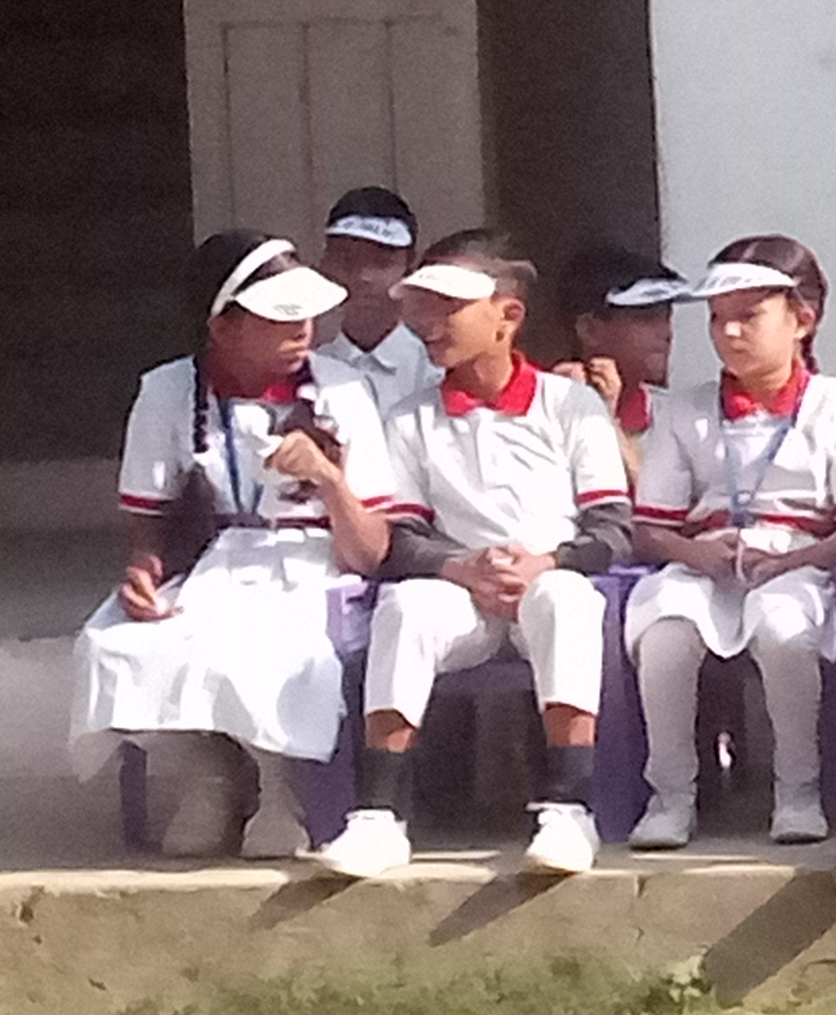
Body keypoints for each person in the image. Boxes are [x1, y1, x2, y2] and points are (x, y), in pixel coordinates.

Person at [311, 233, 633, 882]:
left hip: (545, 581)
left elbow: (614, 528)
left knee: (566, 601)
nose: (430, 323)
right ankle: (378, 815)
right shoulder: (410, 417)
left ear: (507, 317)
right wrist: (461, 569)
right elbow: (399, 534)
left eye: (449, 307)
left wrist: (545, 563)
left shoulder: (571, 405)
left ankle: (568, 808)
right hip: (463, 594)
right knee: (406, 607)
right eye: (423, 307)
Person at [75, 233, 396, 858]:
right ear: (223, 327)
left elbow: (371, 550)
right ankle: (212, 773)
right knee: (117, 643)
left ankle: (281, 790)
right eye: (280, 316)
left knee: (275, 647)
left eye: (306, 313)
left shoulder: (345, 390)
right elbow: (148, 519)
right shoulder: (167, 390)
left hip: (312, 563)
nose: (303, 329)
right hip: (212, 562)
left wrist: (329, 480)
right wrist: (143, 570)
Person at [624, 238, 836, 850]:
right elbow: (652, 526)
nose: (730, 333)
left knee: (782, 628)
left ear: (802, 320)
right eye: (718, 318)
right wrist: (695, 554)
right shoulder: (686, 410)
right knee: (667, 629)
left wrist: (795, 559)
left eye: (749, 316)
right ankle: (671, 795)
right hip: (707, 561)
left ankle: (797, 791)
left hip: (802, 561)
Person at [556, 246, 691, 475]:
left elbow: (657, 497)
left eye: (666, 318)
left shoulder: (678, 419)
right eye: (646, 319)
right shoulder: (543, 409)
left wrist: (606, 419)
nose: (666, 333)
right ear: (589, 330)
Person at [311, 187, 430, 408]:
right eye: (348, 260)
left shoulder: (437, 371)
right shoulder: (308, 373)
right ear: (326, 264)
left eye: (382, 262)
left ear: (410, 266)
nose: (364, 276)